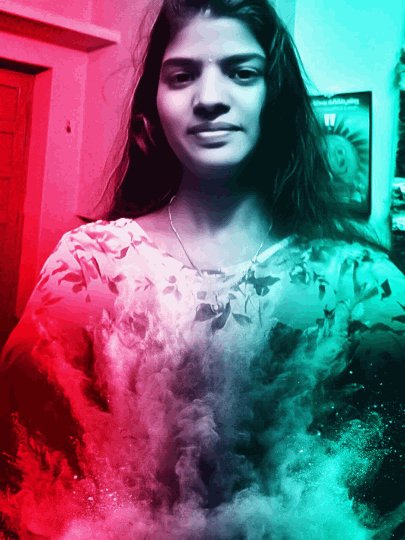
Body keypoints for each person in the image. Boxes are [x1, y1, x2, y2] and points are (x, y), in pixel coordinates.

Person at [1, 0, 405, 538]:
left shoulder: (359, 283)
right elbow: (26, 484)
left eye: (242, 73)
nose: (209, 98)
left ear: (277, 95)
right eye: (182, 75)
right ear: (152, 105)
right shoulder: (90, 266)